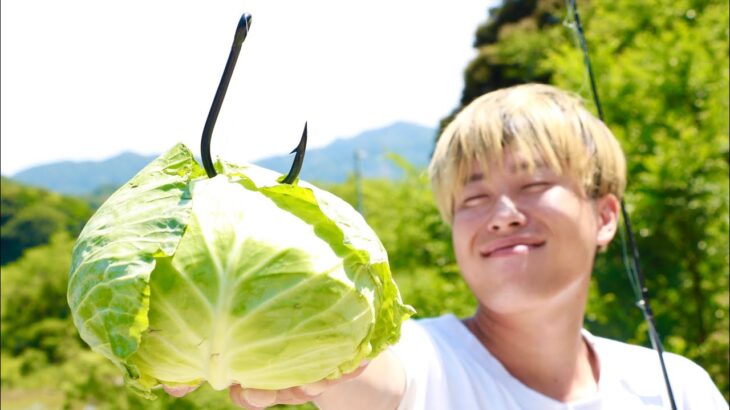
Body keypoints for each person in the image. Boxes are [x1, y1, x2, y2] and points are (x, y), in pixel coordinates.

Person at [165, 83, 728, 409]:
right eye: (473, 198)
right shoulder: (426, 366)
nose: (503, 216)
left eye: (533, 185)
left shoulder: (677, 386)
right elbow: (363, 373)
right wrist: (296, 357)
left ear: (607, 216)